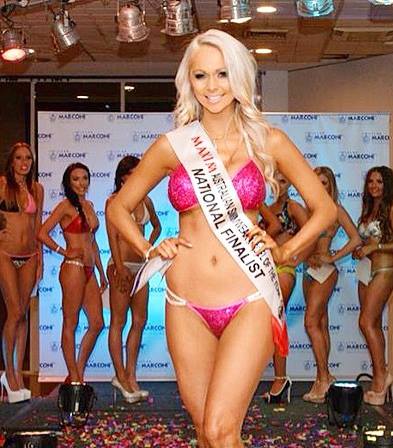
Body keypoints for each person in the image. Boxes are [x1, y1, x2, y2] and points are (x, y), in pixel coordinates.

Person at [107, 29, 336, 447]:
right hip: (185, 303)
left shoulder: (268, 141)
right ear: (188, 82)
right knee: (206, 434)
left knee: (220, 429)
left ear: (239, 77)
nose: (212, 86)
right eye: (201, 75)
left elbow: (325, 209)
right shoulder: (174, 146)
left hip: (248, 297)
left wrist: (286, 250)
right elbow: (118, 208)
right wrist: (148, 248)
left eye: (222, 74)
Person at [38, 163, 107, 384]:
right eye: (76, 179)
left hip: (90, 270)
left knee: (97, 323)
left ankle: (76, 373)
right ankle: (76, 378)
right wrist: (63, 250)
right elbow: (42, 233)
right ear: (68, 182)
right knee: (71, 322)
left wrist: (101, 272)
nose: (81, 183)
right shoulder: (65, 206)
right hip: (73, 268)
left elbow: (92, 242)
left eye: (85, 178)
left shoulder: (89, 205)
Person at [302, 166, 361, 403]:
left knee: (311, 322)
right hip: (308, 271)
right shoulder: (308, 210)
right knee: (321, 324)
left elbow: (356, 238)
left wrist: (333, 256)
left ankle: (324, 377)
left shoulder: (335, 209)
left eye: (324, 183)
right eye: (316, 182)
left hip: (325, 272)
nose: (320, 186)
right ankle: (322, 378)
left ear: (331, 186)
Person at [105, 156, 161, 403]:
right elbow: (112, 237)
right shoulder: (114, 201)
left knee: (140, 320)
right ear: (123, 176)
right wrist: (118, 266)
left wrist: (148, 248)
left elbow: (157, 226)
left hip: (141, 267)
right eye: (134, 172)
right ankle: (120, 376)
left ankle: (131, 376)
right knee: (118, 321)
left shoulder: (146, 200)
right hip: (121, 266)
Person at [353, 166, 393, 406]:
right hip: (366, 271)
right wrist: (361, 250)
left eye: (380, 182)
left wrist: (375, 247)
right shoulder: (368, 208)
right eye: (371, 181)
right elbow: (367, 240)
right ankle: (380, 376)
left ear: (388, 185)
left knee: (365, 321)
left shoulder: (392, 208)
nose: (374, 185)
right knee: (372, 324)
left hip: (384, 271)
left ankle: (381, 377)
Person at [0, 142, 43, 403]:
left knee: (23, 314)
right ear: (11, 161)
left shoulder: (37, 188)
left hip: (29, 256)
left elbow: (37, 227)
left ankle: (18, 376)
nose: (24, 162)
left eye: (28, 158)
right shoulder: (3, 184)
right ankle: (9, 374)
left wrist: (40, 260)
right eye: (19, 158)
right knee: (14, 312)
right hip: (5, 254)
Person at [262, 172, 311, 404]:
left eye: (283, 181)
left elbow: (312, 234)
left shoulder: (293, 207)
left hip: (284, 269)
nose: (278, 185)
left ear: (290, 183)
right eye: (275, 180)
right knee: (269, 322)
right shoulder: (268, 208)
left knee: (276, 317)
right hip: (265, 269)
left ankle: (280, 379)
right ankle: (279, 379)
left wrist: (298, 259)